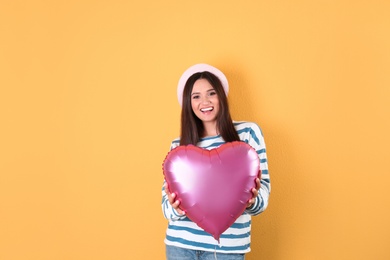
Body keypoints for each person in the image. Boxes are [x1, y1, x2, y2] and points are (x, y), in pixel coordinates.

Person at [162, 64, 271, 260]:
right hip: (180, 246)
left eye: (211, 93)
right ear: (189, 103)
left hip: (226, 250)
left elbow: (263, 196)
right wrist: (175, 207)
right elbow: (166, 208)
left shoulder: (248, 133)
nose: (205, 101)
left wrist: (251, 200)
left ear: (221, 96)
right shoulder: (178, 146)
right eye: (196, 96)